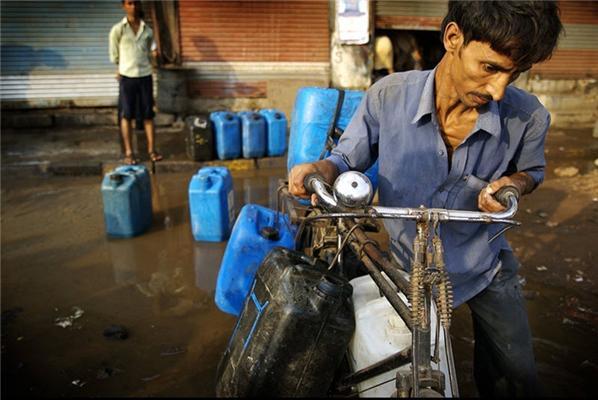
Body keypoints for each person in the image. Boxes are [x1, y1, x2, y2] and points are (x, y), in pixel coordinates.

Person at [289, 1, 562, 397]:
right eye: (490, 68)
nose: (499, 89)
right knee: (381, 365)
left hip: (482, 264)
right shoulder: (388, 96)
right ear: (453, 38)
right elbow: (346, 159)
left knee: (516, 373)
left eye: (515, 73)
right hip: (402, 263)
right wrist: (321, 171)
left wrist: (512, 186)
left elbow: (533, 172)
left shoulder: (529, 117)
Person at [109, 0, 162, 165]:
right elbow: (114, 54)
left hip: (145, 75)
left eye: (136, 3)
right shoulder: (118, 30)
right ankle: (129, 152)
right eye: (130, 3)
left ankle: (151, 150)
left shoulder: (147, 30)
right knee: (126, 115)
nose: (133, 7)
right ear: (124, 6)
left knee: (148, 114)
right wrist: (120, 68)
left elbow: (152, 49)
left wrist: (154, 57)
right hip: (127, 77)